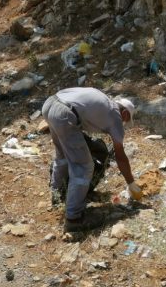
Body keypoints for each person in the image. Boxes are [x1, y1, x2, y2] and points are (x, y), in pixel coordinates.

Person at [42, 87, 141, 232]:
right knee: (84, 166)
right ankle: (74, 219)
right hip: (65, 114)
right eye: (126, 119)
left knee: (62, 156)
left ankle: (57, 196)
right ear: (124, 113)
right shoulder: (116, 116)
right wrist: (131, 183)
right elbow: (120, 155)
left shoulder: (105, 102)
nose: (124, 123)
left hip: (50, 104)